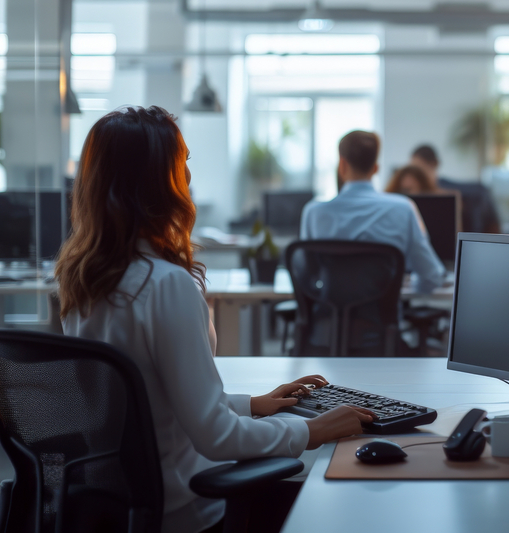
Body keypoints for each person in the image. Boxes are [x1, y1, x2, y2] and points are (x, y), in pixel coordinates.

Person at [56, 106, 373, 533]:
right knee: (339, 497)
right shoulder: (164, 285)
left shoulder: (83, 280)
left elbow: (145, 403)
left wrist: (252, 405)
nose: (187, 175)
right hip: (188, 507)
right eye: (182, 161)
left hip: (119, 502)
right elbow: (217, 439)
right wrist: (311, 430)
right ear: (157, 179)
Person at [302, 131, 444, 295]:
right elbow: (432, 277)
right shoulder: (404, 209)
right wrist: (400, 291)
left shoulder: (313, 212)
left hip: (328, 317)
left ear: (342, 165)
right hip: (380, 319)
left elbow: (306, 275)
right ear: (375, 168)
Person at [410, 144, 500, 233]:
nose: (416, 175)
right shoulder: (414, 193)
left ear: (435, 164)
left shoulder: (453, 192)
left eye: (419, 169)